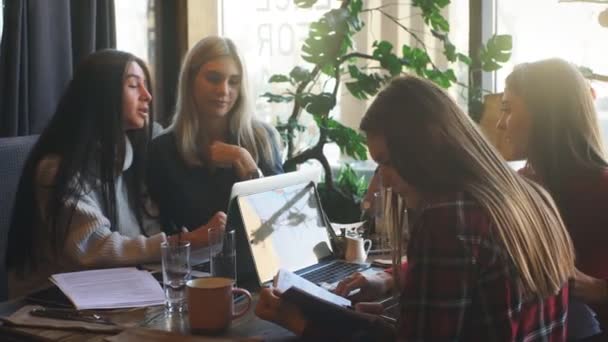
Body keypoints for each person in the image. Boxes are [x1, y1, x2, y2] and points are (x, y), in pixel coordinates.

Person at [255, 75, 575, 341]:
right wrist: (377, 322)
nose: (385, 181)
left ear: (425, 153)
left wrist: (303, 324)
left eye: (388, 164)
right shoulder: (532, 195)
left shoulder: (448, 221)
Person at [6, 50, 213, 299]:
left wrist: (196, 242)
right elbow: (93, 248)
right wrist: (178, 242)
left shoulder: (130, 158)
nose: (147, 96)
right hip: (53, 301)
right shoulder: (56, 171)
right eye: (133, 86)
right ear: (102, 95)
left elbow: (147, 230)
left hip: (112, 291)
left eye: (145, 87)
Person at [496, 58, 608, 340]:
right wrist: (392, 276)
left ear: (545, 114)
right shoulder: (516, 186)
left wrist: (596, 287)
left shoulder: (602, 188)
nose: (499, 124)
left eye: (508, 110)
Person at [146, 36, 283, 235]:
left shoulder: (262, 138)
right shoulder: (163, 149)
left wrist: (244, 160)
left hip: (257, 263)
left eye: (234, 82)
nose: (224, 90)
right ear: (190, 79)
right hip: (190, 264)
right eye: (213, 78)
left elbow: (280, 221)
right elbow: (159, 230)